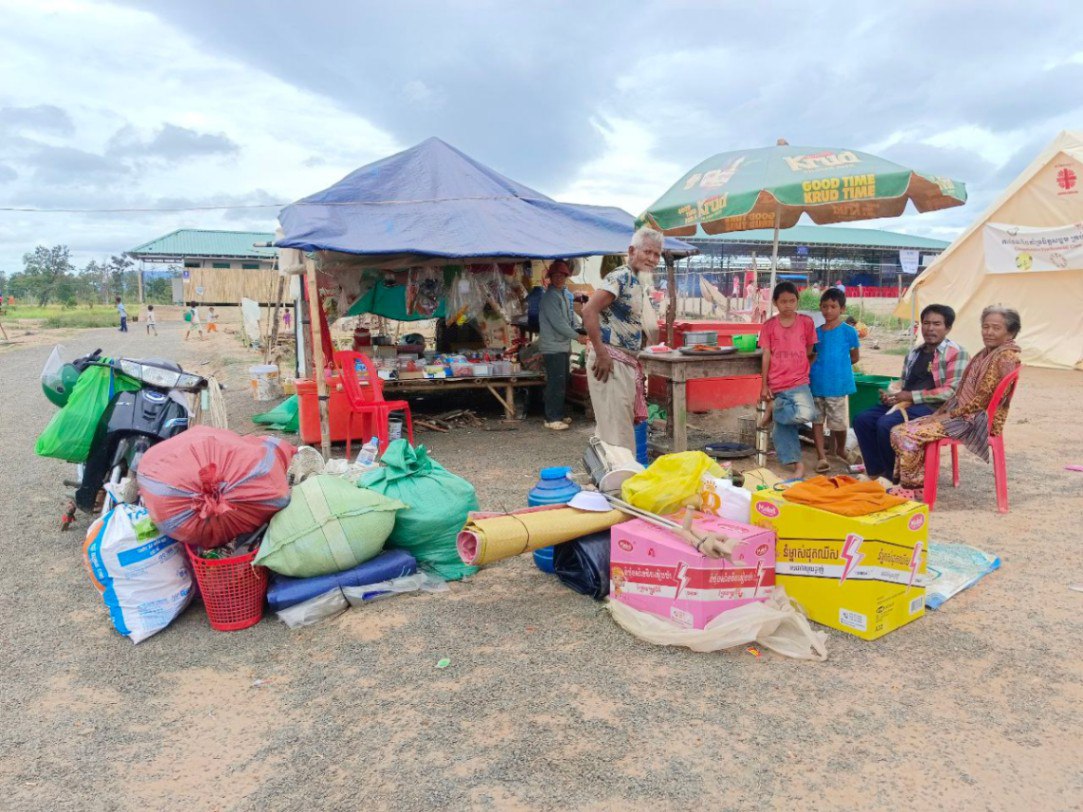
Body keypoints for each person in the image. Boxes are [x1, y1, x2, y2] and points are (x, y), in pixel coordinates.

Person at [888, 306, 1022, 499]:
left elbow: (982, 402)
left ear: (1010, 332)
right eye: (985, 327)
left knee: (906, 433)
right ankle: (915, 484)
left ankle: (913, 488)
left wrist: (949, 415)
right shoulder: (988, 354)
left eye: (996, 328)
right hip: (965, 414)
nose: (989, 332)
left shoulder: (1005, 357)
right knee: (900, 429)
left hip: (975, 420)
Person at [853, 304, 969, 483]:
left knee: (886, 424)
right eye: (926, 323)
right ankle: (876, 472)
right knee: (862, 420)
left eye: (937, 324)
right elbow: (905, 385)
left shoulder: (957, 353)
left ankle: (892, 478)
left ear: (948, 328)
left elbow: (952, 392)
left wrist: (910, 396)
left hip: (937, 409)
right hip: (908, 404)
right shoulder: (914, 353)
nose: (930, 328)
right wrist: (892, 397)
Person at [581, 226, 662, 452]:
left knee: (613, 434)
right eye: (647, 252)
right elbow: (588, 310)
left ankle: (611, 473)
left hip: (622, 361)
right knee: (619, 439)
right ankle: (619, 475)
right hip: (610, 362)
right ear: (632, 251)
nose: (652, 259)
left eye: (657, 254)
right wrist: (601, 353)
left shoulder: (637, 281)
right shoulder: (620, 276)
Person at [759, 281, 817, 478]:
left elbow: (809, 349)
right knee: (785, 427)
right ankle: (797, 465)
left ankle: (775, 408)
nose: (788, 305)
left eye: (792, 301)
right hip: (777, 382)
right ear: (775, 302)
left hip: (799, 381)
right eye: (783, 301)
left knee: (808, 413)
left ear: (797, 301)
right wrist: (764, 386)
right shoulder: (768, 326)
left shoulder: (806, 323)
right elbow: (766, 355)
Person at [809, 288, 860, 472]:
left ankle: (840, 449)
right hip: (816, 383)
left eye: (833, 306)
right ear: (820, 307)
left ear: (842, 309)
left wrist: (838, 368)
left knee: (838, 423)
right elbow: (811, 356)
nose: (828, 310)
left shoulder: (849, 332)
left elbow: (855, 357)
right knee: (817, 421)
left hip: (838, 385)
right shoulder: (816, 333)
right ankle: (821, 457)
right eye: (824, 306)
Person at [538, 260, 588, 431]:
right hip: (553, 346)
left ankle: (557, 414)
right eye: (556, 275)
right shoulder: (550, 297)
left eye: (562, 275)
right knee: (555, 382)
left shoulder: (564, 294)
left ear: (566, 276)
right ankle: (551, 418)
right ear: (551, 277)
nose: (559, 278)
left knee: (562, 381)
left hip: (562, 345)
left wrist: (581, 327)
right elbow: (558, 323)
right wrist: (577, 336)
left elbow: (570, 317)